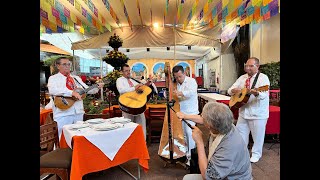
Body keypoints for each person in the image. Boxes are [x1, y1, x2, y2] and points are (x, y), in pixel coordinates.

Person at [176, 102, 252, 180]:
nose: (201, 117)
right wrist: (185, 116)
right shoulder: (225, 124)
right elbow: (203, 119)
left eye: (203, 116)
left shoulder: (227, 148)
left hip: (234, 178)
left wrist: (199, 142)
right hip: (228, 172)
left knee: (188, 178)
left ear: (209, 125)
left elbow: (207, 177)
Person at [47, 57, 104, 139]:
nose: (67, 66)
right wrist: (71, 93)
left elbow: (87, 90)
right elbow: (53, 90)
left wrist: (97, 87)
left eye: (68, 64)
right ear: (58, 66)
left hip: (78, 112)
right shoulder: (53, 78)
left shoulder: (76, 78)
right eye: (64, 64)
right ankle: (62, 152)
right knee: (62, 137)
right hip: (63, 113)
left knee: (78, 136)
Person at [227, 57, 270, 163]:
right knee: (241, 134)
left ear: (257, 66)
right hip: (243, 112)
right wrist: (233, 90)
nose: (248, 68)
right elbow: (229, 90)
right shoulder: (242, 78)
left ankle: (256, 154)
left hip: (258, 113)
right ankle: (242, 152)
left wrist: (256, 92)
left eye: (251, 66)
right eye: (247, 66)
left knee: (257, 136)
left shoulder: (263, 78)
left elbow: (264, 94)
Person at [172, 65, 199, 166]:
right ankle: (187, 154)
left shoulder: (191, 81)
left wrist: (180, 93)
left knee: (190, 134)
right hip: (181, 112)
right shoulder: (176, 84)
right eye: (176, 77)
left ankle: (192, 158)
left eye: (180, 76)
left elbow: (191, 93)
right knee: (184, 135)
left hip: (191, 112)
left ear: (184, 73)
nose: (178, 79)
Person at [116, 64, 147, 140]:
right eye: (126, 71)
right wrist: (134, 88)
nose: (128, 72)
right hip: (127, 106)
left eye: (129, 70)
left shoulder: (133, 80)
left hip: (137, 105)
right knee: (128, 125)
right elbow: (121, 90)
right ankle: (129, 143)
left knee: (141, 124)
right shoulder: (119, 80)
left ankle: (142, 142)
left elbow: (139, 89)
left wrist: (146, 84)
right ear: (121, 72)